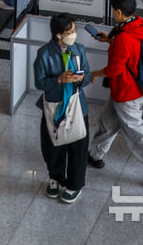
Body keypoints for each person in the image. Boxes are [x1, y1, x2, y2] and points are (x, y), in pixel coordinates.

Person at [88, 0, 143, 189]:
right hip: (124, 90)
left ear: (118, 12)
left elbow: (114, 69)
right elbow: (130, 49)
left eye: (113, 10)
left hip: (128, 94)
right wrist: (109, 40)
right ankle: (95, 156)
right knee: (107, 123)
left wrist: (95, 74)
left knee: (136, 135)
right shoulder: (137, 24)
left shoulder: (124, 38)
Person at [33, 12, 91, 204]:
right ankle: (55, 177)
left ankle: (75, 184)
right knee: (53, 145)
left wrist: (81, 79)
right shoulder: (44, 54)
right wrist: (59, 79)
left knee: (78, 147)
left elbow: (87, 75)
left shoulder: (79, 50)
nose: (74, 34)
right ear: (58, 35)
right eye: (70, 31)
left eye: (74, 30)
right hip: (54, 106)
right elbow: (39, 82)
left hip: (77, 105)